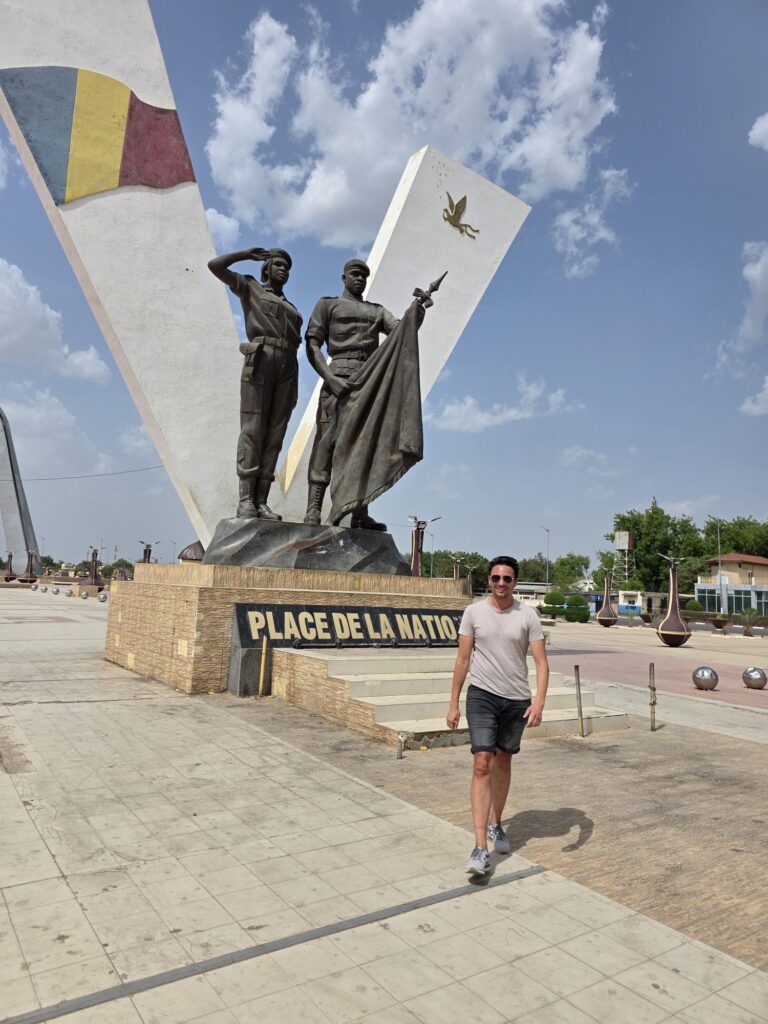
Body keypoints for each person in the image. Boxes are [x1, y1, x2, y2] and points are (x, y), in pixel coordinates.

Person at [447, 555, 549, 875]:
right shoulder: (473, 612)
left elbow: (541, 663)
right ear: (488, 581)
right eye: (496, 578)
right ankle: (480, 847)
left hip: (517, 701)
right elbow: (463, 659)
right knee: (481, 762)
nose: (501, 583)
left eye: (507, 578)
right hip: (482, 697)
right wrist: (453, 702)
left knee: (504, 760)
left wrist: (539, 703)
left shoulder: (528, 615)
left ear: (515, 582)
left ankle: (496, 823)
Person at [304, 259, 399, 530]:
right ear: (343, 277)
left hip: (368, 381)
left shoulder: (377, 311)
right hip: (338, 376)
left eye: (363, 276)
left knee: (363, 447)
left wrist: (418, 310)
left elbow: (401, 330)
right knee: (326, 443)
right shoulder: (328, 305)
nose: (359, 278)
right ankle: (313, 510)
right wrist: (329, 378)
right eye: (354, 274)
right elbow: (313, 344)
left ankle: (360, 514)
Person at [208, 247, 302, 519]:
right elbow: (215, 266)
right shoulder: (251, 287)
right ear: (266, 269)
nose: (283, 270)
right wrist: (247, 254)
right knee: (253, 430)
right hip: (261, 359)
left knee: (275, 435)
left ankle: (261, 501)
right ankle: (246, 500)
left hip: (288, 364)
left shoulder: (292, 308)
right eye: (278, 265)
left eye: (287, 267)